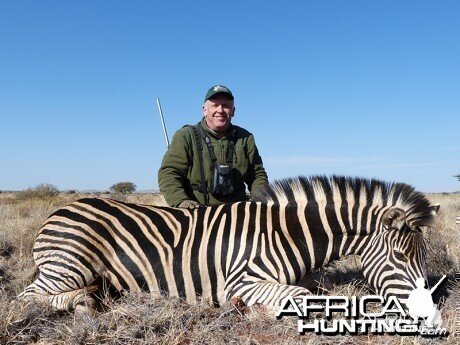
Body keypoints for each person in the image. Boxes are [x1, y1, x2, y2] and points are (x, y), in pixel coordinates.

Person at [158, 85, 268, 208]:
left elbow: (258, 175)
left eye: (226, 106)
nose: (220, 110)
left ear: (233, 111)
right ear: (205, 110)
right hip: (197, 212)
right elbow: (169, 172)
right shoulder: (185, 136)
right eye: (215, 105)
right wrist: (181, 201)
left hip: (237, 214)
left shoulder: (246, 138)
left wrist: (259, 202)